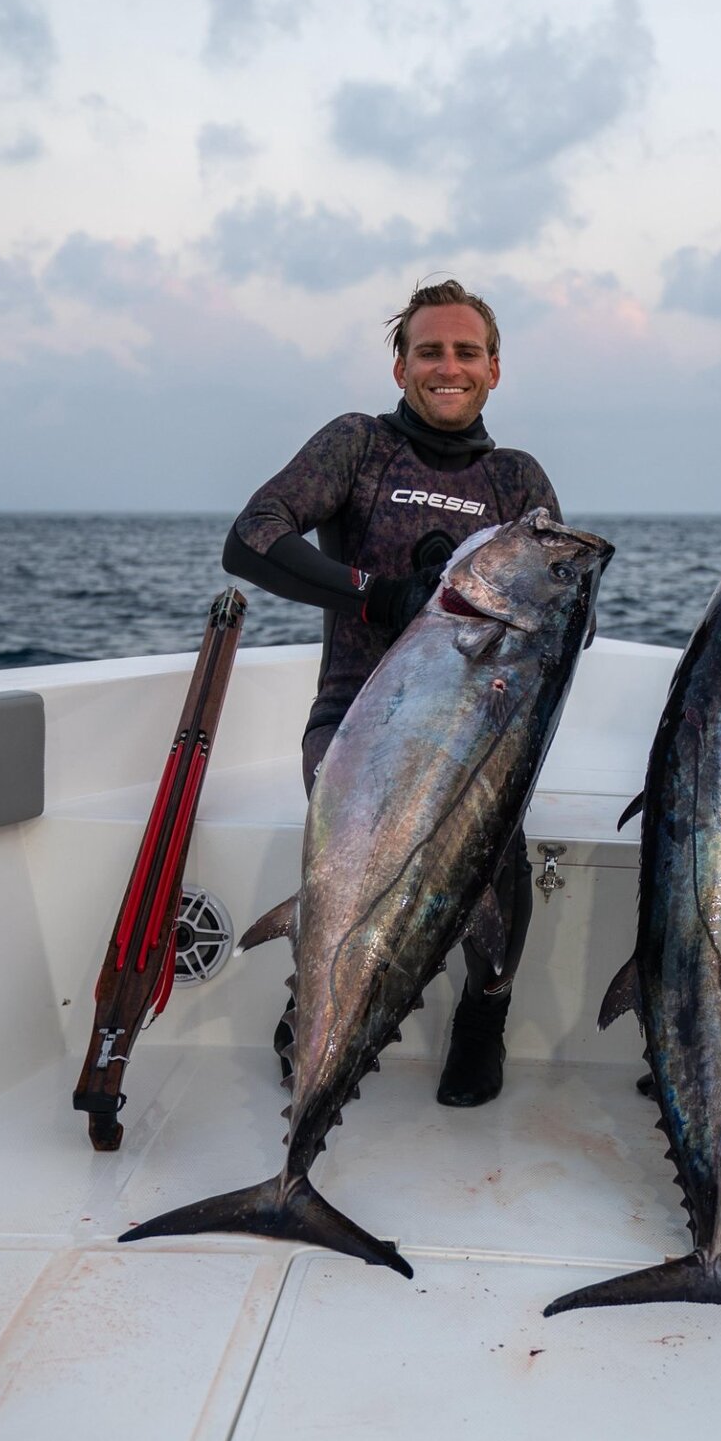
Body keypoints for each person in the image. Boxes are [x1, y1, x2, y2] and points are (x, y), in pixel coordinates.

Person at [223, 279, 562, 1108]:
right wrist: (380, 597)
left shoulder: (517, 477)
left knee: (501, 857)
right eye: (430, 351)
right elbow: (253, 536)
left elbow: (561, 614)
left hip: (476, 737)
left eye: (466, 352)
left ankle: (485, 1012)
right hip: (356, 718)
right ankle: (321, 1001)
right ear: (402, 364)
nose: (449, 366)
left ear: (494, 369)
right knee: (360, 847)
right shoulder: (360, 446)